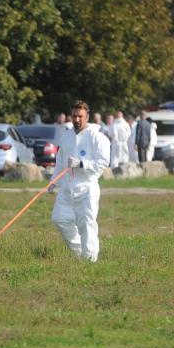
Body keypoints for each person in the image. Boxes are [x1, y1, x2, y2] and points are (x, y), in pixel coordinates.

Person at [49, 100, 111, 262]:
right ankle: (78, 251)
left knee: (86, 223)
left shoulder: (96, 137)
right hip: (67, 187)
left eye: (80, 116)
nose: (76, 119)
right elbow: (60, 160)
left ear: (87, 116)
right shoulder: (67, 135)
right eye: (74, 116)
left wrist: (82, 164)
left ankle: (90, 259)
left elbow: (103, 162)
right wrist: (54, 180)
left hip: (87, 187)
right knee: (59, 218)